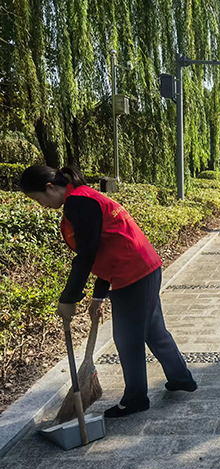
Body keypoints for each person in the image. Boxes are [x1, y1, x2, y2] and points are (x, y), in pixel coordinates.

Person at [19, 166, 197, 418]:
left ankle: (136, 399)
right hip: (143, 267)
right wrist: (99, 295)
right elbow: (105, 245)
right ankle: (181, 379)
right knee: (153, 330)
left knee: (127, 339)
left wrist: (69, 298)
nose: (43, 205)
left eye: (39, 199)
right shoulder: (84, 195)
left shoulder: (78, 202)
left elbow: (87, 253)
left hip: (131, 273)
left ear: (50, 187)